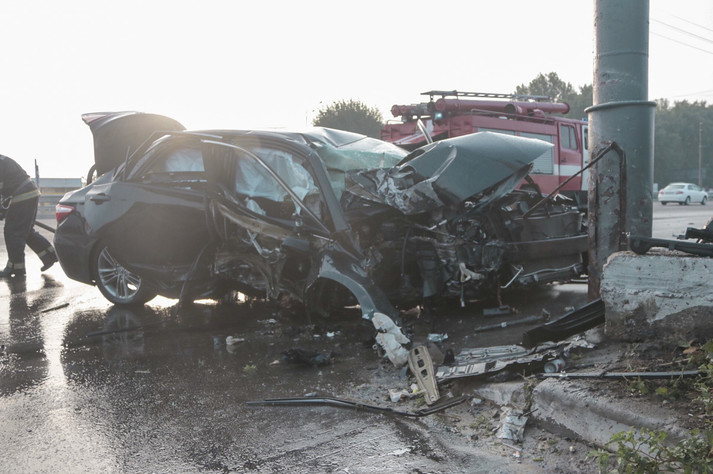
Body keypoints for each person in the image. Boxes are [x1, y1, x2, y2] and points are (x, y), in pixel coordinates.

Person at [0, 154, 57, 277]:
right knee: (25, 230)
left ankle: (16, 267)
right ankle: (49, 255)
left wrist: (2, 210)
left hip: (22, 195)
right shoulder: (2, 160)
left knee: (12, 232)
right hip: (28, 193)